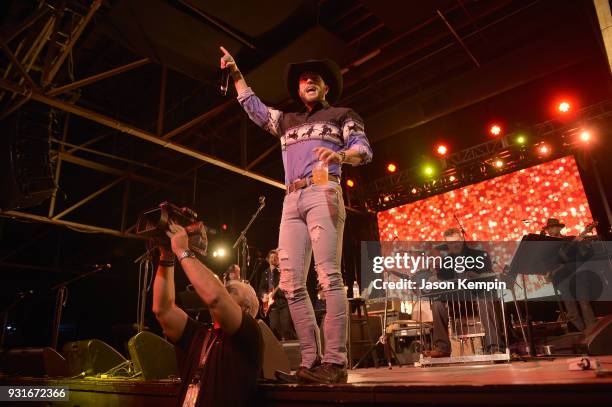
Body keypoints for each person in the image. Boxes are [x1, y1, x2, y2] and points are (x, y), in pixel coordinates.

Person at [220, 46, 373, 384]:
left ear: (326, 87)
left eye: (316, 77)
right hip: (292, 200)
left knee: (328, 277)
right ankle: (310, 361)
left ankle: (335, 363)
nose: (309, 80)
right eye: (304, 78)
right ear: (298, 88)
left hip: (324, 191)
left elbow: (364, 150)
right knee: (289, 284)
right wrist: (235, 73)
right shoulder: (287, 121)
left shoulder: (342, 114)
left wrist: (342, 157)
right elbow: (254, 108)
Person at [152, 223, 263, 406]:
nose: (225, 292)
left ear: (246, 310)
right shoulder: (201, 334)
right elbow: (162, 310)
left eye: (231, 292)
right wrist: (166, 256)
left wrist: (182, 250)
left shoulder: (251, 334)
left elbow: (216, 298)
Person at [425, 228, 503, 358]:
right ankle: (442, 348)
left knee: (485, 299)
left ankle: (494, 347)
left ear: (462, 240)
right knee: (437, 303)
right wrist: (436, 275)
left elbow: (490, 275)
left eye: (456, 241)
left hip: (476, 295)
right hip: (455, 301)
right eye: (449, 243)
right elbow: (442, 282)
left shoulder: (479, 255)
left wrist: (477, 275)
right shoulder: (446, 261)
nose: (453, 245)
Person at [543, 218, 597, 332]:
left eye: (554, 227)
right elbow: (547, 263)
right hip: (561, 279)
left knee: (585, 304)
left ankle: (592, 332)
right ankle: (584, 332)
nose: (552, 230)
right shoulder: (546, 246)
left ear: (559, 228)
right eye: (549, 228)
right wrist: (549, 272)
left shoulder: (570, 240)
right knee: (571, 311)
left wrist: (583, 243)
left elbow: (582, 255)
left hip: (577, 276)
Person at [258, 250, 296, 341]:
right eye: (272, 257)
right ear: (268, 259)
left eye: (275, 257)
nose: (273, 259)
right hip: (272, 305)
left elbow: (287, 285)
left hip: (283, 302)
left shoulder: (281, 271)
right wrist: (264, 295)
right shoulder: (265, 273)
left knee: (286, 327)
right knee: (274, 328)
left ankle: (291, 350)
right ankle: (278, 350)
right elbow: (261, 288)